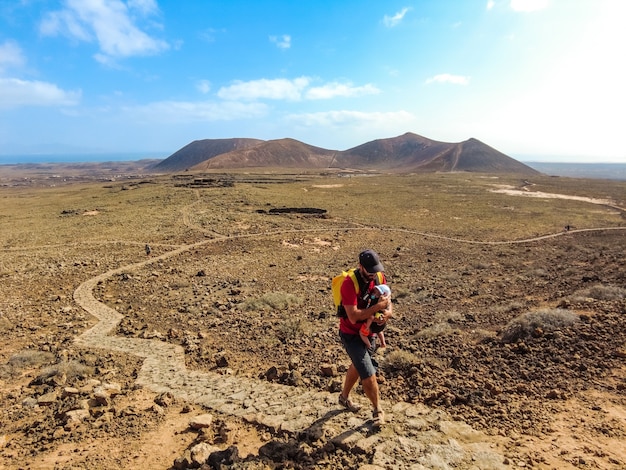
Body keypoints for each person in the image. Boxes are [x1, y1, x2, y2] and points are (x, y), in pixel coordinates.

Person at [337, 249, 392, 426]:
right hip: (351, 334)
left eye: (375, 270)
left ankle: (344, 397)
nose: (373, 274)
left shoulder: (379, 277)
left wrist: (388, 313)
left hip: (370, 331)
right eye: (369, 271)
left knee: (359, 364)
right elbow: (353, 316)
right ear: (361, 267)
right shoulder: (349, 284)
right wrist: (378, 308)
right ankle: (378, 410)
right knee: (368, 373)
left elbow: (388, 301)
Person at [359, 284, 391, 350]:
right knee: (379, 331)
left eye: (377, 291)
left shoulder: (378, 301)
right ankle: (383, 342)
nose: (374, 292)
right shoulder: (385, 302)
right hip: (380, 325)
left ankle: (369, 345)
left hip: (373, 324)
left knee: (362, 333)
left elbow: (371, 314)